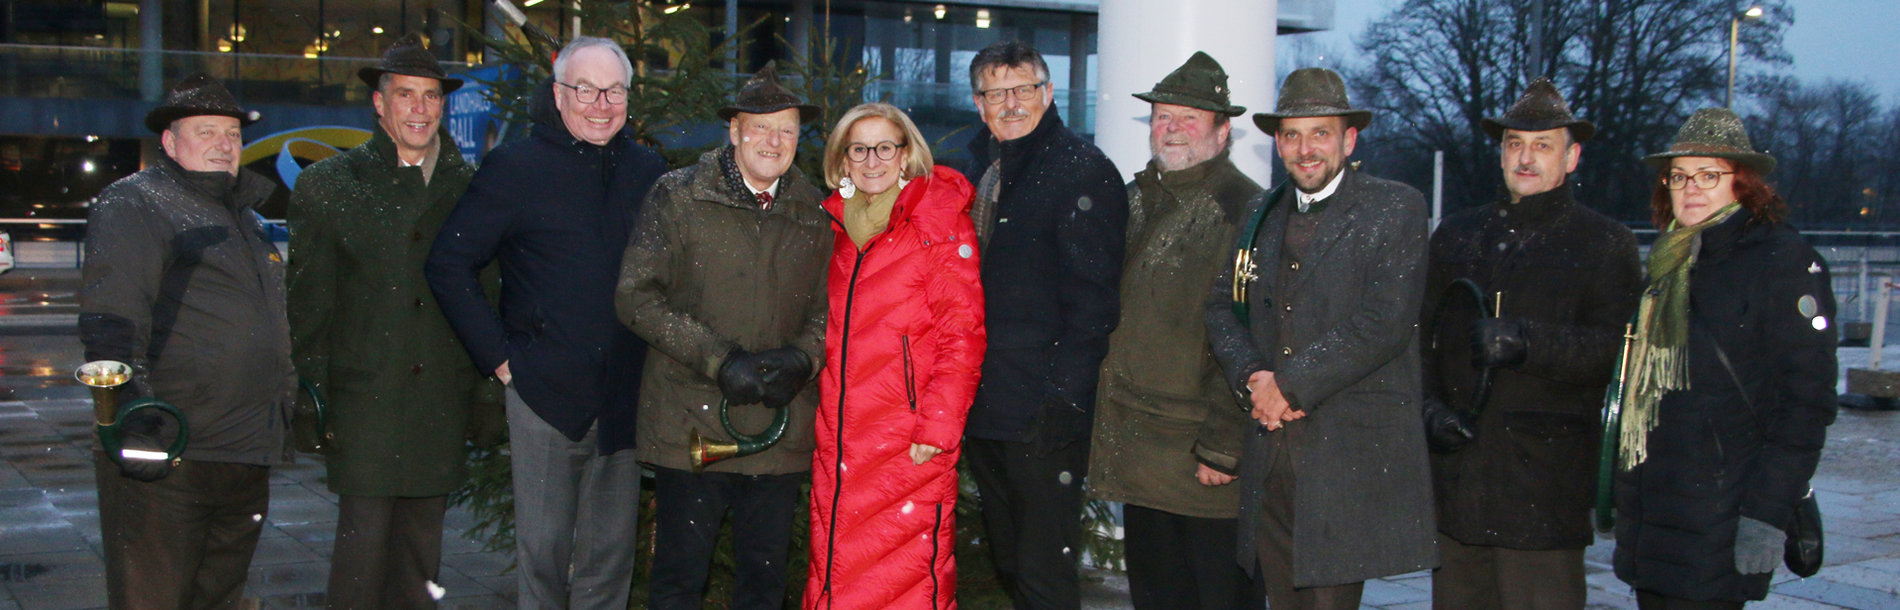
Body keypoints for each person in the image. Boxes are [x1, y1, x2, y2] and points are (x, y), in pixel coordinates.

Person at [425, 36, 666, 609]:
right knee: (544, 560)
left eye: (614, 90)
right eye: (585, 89)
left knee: (610, 564)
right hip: (543, 396)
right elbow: (448, 262)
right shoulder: (516, 168)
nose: (600, 103)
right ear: (559, 95)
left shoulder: (650, 171)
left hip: (626, 401)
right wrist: (503, 360)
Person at [1202, 67, 1437, 610]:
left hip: (1345, 456)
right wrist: (1253, 377)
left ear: (1349, 139)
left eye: (1320, 133)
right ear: (1277, 142)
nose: (1304, 149)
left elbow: (1385, 320)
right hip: (1271, 453)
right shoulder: (1259, 212)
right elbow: (1221, 306)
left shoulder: (1395, 207)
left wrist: (1291, 385)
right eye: (1291, 134)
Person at [287, 34, 504, 608]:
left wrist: (487, 394)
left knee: (419, 559)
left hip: (438, 398)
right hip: (365, 403)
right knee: (360, 556)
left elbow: (489, 297)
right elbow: (310, 306)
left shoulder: (471, 188)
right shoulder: (330, 187)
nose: (420, 108)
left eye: (431, 96)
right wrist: (310, 395)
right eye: (406, 94)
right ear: (379, 104)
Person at [1418, 78, 1643, 610]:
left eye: (1543, 145)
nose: (1526, 157)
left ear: (1572, 157)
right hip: (1460, 479)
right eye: (1515, 143)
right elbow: (1421, 337)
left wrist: (1528, 342)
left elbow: (1616, 351)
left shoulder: (1605, 242)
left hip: (1544, 484)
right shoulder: (1457, 234)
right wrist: (1426, 409)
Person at [615, 62, 829, 610]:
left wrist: (803, 359)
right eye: (759, 127)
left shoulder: (816, 212)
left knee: (763, 587)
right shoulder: (678, 197)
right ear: (733, 129)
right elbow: (636, 297)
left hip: (780, 436)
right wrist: (718, 359)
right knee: (679, 583)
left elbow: (834, 310)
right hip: (690, 424)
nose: (773, 140)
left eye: (785, 128)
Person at [78, 72, 292, 609]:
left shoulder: (246, 218)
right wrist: (137, 425)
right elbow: (113, 323)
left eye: (232, 133)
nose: (224, 144)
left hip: (243, 452)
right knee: (154, 597)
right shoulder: (138, 203)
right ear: (170, 143)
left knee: (220, 597)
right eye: (206, 131)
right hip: (174, 450)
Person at [1612, 107, 1837, 610]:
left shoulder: (1783, 261)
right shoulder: (1670, 260)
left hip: (1724, 513)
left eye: (1709, 174)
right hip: (1657, 515)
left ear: (1744, 182)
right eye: (1679, 176)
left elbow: (1806, 404)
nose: (1691, 188)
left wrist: (1766, 515)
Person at [1085, 52, 1263, 610]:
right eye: (1164, 116)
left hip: (1201, 461)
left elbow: (1249, 334)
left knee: (1217, 595)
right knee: (1158, 596)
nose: (1173, 128)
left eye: (1191, 117)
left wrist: (1223, 446)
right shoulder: (1136, 199)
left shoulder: (1245, 209)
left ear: (1223, 129)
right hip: (1139, 454)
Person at [959, 39, 1128, 610]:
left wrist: (1064, 402)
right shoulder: (980, 169)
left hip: (1042, 414)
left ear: (1048, 93)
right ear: (978, 103)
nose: (1010, 103)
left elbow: (1094, 305)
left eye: (1023, 89)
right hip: (985, 406)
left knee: (1042, 573)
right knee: (1010, 560)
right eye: (995, 92)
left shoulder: (1081, 171)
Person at [803, 102, 986, 610]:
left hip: (908, 442)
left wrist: (938, 425)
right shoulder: (839, 231)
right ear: (842, 162)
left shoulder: (938, 223)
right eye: (858, 149)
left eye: (885, 147)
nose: (872, 160)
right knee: (837, 576)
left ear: (906, 156)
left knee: (902, 586)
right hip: (840, 440)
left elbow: (962, 333)